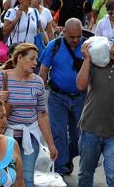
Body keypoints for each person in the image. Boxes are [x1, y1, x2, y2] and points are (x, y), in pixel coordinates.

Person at [0, 43, 58, 186]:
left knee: (27, 180)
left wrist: (51, 145)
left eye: (36, 60)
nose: (35, 63)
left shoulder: (38, 82)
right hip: (5, 137)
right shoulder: (1, 77)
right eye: (32, 59)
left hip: (29, 139)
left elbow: (42, 115)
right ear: (20, 57)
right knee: (4, 180)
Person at [76, 33, 114, 187]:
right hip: (90, 128)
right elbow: (81, 86)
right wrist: (86, 60)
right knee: (85, 173)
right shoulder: (98, 61)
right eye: (113, 44)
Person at [38, 18, 85, 176]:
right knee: (58, 134)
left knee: (79, 136)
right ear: (64, 32)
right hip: (58, 97)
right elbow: (43, 71)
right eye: (71, 37)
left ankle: (67, 158)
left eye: (78, 36)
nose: (75, 40)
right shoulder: (55, 45)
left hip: (81, 98)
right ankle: (60, 170)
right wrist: (37, 96)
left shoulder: (87, 47)